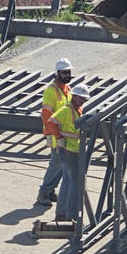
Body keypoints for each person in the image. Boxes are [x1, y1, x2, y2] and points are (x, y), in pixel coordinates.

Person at [46, 82, 90, 224]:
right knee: (74, 183)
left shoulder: (77, 110)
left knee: (67, 181)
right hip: (68, 151)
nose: (83, 101)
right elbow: (51, 122)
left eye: (84, 99)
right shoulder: (67, 110)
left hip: (72, 150)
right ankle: (70, 214)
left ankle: (62, 213)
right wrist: (58, 138)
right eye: (80, 98)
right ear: (73, 96)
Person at [36, 58, 73, 206]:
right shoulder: (51, 91)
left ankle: (50, 191)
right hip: (55, 134)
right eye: (64, 73)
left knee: (61, 164)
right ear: (57, 73)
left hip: (64, 134)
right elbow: (46, 116)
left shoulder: (67, 89)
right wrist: (56, 136)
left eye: (68, 72)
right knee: (56, 164)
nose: (67, 75)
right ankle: (43, 193)